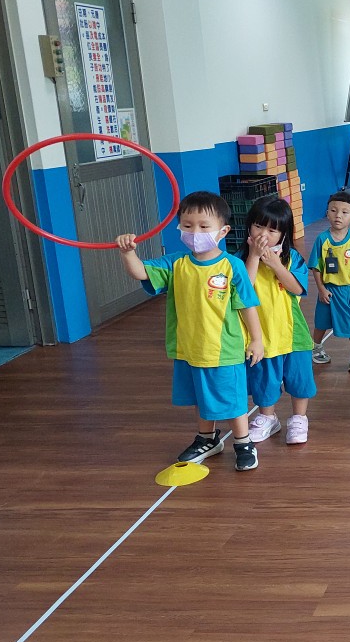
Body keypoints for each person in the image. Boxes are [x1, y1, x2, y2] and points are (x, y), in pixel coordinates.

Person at [115, 191, 265, 471]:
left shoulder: (232, 266)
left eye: (204, 226)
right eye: (187, 225)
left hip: (224, 350)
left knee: (231, 399)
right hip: (189, 348)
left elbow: (247, 304)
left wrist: (256, 339)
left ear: (223, 231)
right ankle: (207, 438)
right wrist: (128, 253)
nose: (195, 232)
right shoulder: (176, 263)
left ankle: (243, 442)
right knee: (201, 396)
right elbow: (141, 272)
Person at [236, 196, 316, 445]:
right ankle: (267, 417)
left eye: (272, 231)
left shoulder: (292, 258)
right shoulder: (238, 259)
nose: (264, 235)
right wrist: (254, 257)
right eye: (259, 226)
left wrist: (275, 265)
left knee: (299, 378)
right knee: (264, 379)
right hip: (260, 333)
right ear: (249, 226)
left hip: (293, 332)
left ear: (283, 234)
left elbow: (297, 288)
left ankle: (299, 418)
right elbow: (244, 289)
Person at [309, 192, 350, 371]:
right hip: (328, 290)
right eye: (333, 210)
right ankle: (316, 348)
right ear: (327, 213)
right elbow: (316, 267)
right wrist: (321, 289)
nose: (338, 216)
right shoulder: (322, 239)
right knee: (321, 322)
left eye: (344, 212)